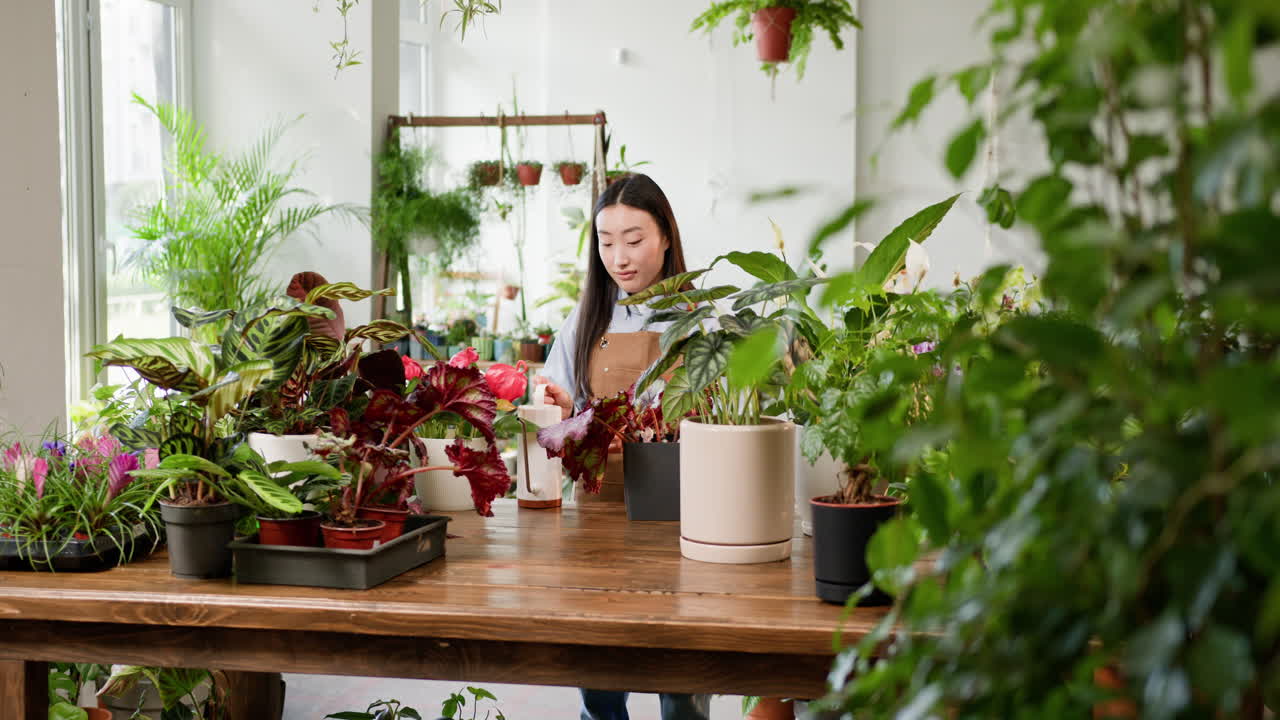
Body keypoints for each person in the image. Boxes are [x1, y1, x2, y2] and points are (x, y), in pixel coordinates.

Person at [534, 173, 712, 720]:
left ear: (665, 237)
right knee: (602, 675)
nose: (620, 257)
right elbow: (550, 413)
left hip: (683, 517)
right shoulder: (585, 319)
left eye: (634, 240)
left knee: (680, 679)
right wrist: (558, 411)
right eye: (606, 242)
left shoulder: (700, 319)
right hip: (600, 517)